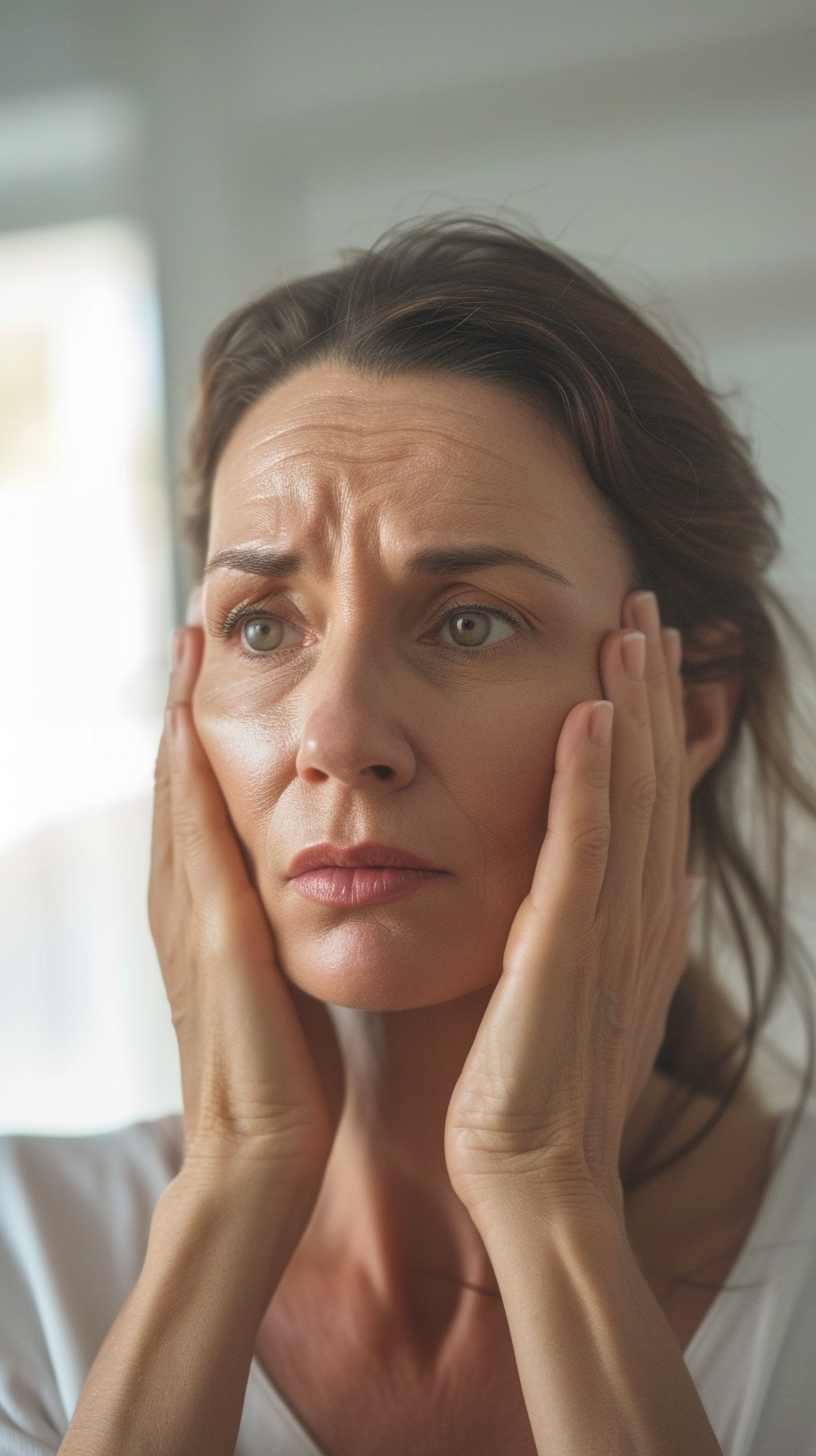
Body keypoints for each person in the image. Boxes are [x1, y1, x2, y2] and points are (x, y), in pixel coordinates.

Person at [2, 218, 816, 1456]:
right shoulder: (24, 1258)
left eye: (471, 623)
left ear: (688, 709)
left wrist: (549, 1198)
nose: (336, 734)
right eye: (264, 626)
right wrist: (232, 1181)